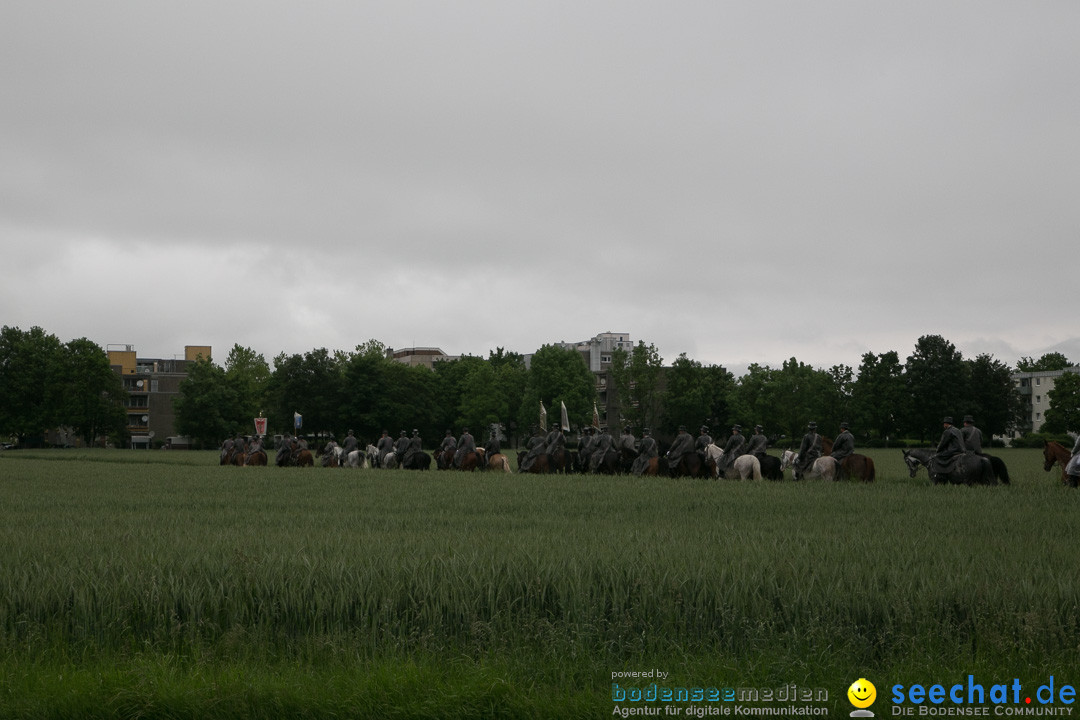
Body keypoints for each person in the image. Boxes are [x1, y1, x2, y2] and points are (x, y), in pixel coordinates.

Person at [931, 416, 967, 482]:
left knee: (936, 457)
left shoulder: (947, 431)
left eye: (944, 424)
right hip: (963, 450)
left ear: (946, 424)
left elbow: (942, 443)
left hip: (953, 451)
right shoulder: (957, 430)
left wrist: (937, 450)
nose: (943, 425)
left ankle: (941, 475)